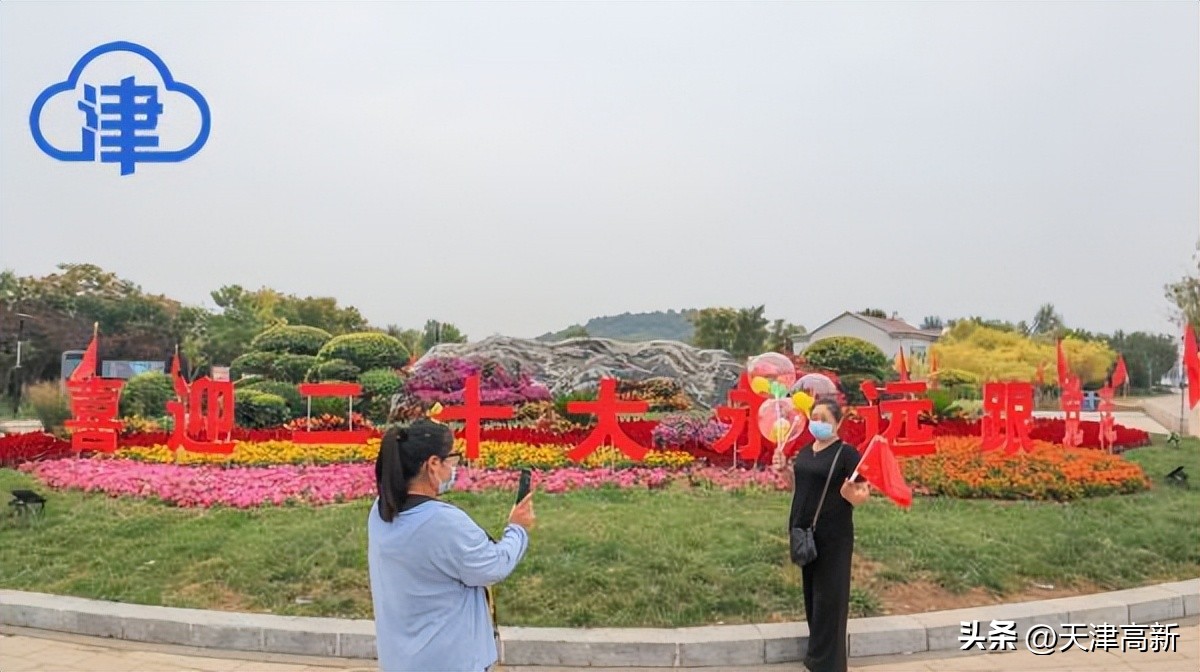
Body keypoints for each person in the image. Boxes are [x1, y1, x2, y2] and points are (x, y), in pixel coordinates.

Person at [368, 419, 536, 672]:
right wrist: (518, 528)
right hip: (448, 660)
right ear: (433, 464)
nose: (454, 468)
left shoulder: (381, 511)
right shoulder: (442, 521)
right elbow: (492, 565)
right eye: (451, 459)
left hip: (401, 659)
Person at [773, 399, 870, 672]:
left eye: (825, 418)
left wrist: (852, 492)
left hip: (833, 535)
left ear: (838, 423)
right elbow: (798, 486)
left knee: (830, 598)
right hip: (804, 533)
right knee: (812, 597)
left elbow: (863, 493)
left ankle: (829, 663)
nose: (818, 422)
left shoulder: (847, 454)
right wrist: (783, 470)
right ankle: (814, 657)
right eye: (814, 417)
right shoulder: (806, 451)